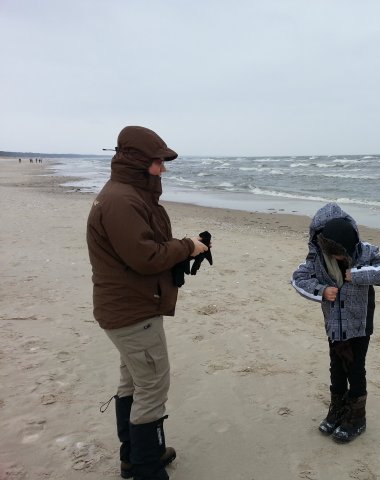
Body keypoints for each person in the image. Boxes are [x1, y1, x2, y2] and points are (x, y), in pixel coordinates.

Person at [86, 126, 209, 480]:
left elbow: (144, 249)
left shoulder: (128, 195)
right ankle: (146, 468)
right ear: (137, 161)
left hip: (128, 308)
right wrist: (187, 246)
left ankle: (135, 456)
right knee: (152, 385)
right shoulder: (121, 200)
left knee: (135, 381)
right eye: (158, 162)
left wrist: (185, 248)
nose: (163, 169)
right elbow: (146, 257)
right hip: (133, 312)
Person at [291, 203, 380, 443]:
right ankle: (337, 409)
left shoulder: (366, 251)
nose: (341, 259)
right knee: (337, 368)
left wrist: (358, 274)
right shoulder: (316, 257)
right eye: (338, 256)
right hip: (334, 325)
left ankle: (357, 418)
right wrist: (321, 290)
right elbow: (297, 279)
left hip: (360, 325)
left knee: (356, 369)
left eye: (344, 255)